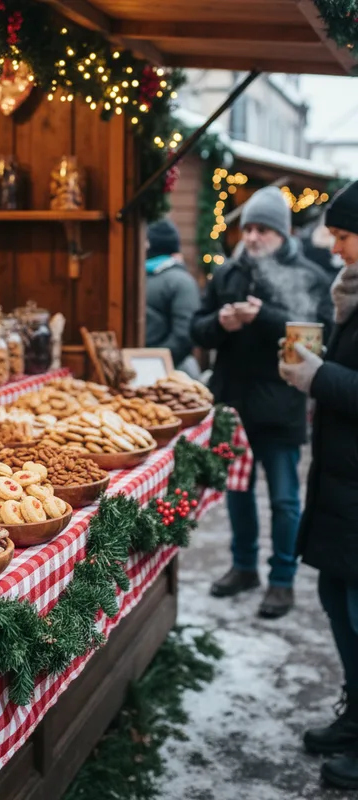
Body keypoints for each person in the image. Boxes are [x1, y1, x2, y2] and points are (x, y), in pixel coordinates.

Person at [190, 186, 333, 619]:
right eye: (247, 228)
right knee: (238, 494)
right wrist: (220, 321)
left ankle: (283, 580)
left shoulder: (311, 276)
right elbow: (197, 331)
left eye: (263, 230)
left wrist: (263, 317)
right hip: (233, 405)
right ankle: (244, 566)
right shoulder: (227, 274)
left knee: (286, 500)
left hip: (282, 406)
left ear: (284, 232)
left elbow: (318, 336)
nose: (252, 237)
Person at [280, 180, 358, 790]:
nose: (334, 247)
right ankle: (356, 717)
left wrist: (320, 376)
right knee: (338, 599)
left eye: (344, 236)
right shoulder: (348, 296)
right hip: (342, 481)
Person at [145, 218, 201, 376]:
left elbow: (183, 336)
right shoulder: (182, 281)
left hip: (166, 370)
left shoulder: (133, 277)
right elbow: (185, 333)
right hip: (169, 370)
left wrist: (149, 363)